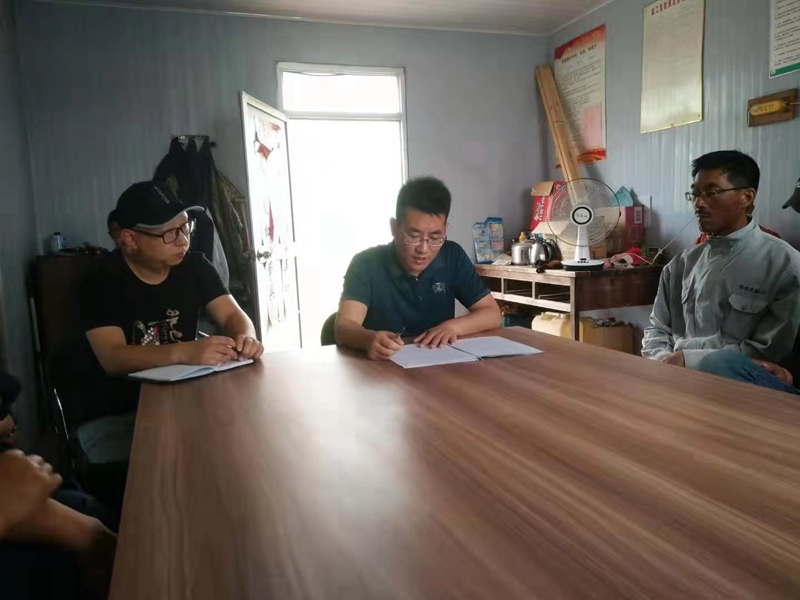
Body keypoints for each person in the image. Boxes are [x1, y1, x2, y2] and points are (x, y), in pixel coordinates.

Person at [76, 181, 264, 464]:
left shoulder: (195, 266)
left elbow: (233, 316)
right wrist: (185, 351)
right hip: (124, 411)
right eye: (169, 233)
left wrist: (245, 338)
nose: (183, 240)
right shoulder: (100, 281)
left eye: (185, 227)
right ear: (130, 238)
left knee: (243, 445)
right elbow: (113, 358)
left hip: (188, 399)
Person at [642, 150, 800, 393]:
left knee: (717, 364)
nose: (699, 203)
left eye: (712, 192)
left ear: (746, 197)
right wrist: (662, 360)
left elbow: (767, 351)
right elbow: (657, 329)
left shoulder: (784, 264)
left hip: (740, 386)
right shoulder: (680, 264)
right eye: (696, 193)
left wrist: (689, 360)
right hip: (674, 377)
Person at [335, 176, 501, 360]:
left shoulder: (451, 255)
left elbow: (492, 313)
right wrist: (367, 339)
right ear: (394, 227)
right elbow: (344, 326)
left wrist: (452, 327)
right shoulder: (366, 263)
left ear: (445, 229)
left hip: (437, 364)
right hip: (382, 367)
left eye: (435, 238)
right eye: (413, 236)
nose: (423, 249)